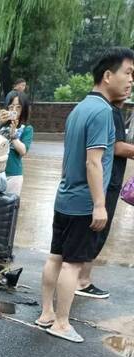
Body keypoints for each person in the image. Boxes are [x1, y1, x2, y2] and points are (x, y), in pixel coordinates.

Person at [36, 47, 134, 343]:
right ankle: (62, 323)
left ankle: (45, 315)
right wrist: (100, 205)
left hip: (64, 197)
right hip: (84, 203)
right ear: (107, 76)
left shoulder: (79, 108)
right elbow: (94, 161)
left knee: (55, 257)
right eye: (127, 74)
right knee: (73, 264)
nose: (131, 81)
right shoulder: (104, 112)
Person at [74, 95, 134, 298]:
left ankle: (79, 277)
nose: (128, 85)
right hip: (107, 183)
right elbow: (116, 147)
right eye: (126, 75)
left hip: (107, 181)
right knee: (97, 229)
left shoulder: (95, 109)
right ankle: (81, 280)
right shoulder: (110, 112)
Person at [0, 90, 33, 196]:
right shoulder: (0, 124)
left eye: (18, 107)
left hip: (13, 175)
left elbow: (23, 151)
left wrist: (13, 135)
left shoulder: (27, 128)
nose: (14, 110)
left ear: (23, 109)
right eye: (11, 107)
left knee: (8, 209)